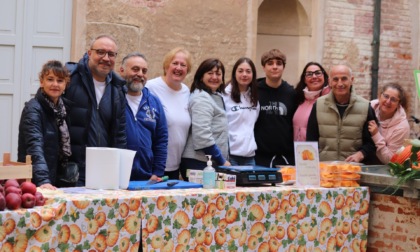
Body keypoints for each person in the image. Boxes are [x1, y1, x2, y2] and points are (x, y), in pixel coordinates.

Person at [64, 34, 126, 186]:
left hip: (105, 171)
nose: (106, 58)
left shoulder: (117, 89)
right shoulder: (70, 80)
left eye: (111, 54)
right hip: (73, 171)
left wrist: (120, 170)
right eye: (100, 52)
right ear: (89, 53)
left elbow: (120, 134)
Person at [306, 64, 377, 163]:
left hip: (352, 170)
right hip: (325, 170)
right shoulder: (318, 105)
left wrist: (361, 153)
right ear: (329, 82)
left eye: (344, 79)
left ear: (351, 80)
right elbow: (310, 140)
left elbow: (373, 142)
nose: (340, 83)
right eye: (335, 79)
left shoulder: (365, 107)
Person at [18, 60, 71, 189]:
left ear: (65, 85)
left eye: (60, 80)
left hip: (56, 179)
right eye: (50, 79)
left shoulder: (63, 109)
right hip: (35, 182)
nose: (55, 84)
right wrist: (43, 181)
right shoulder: (33, 109)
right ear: (42, 82)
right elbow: (34, 146)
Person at [119, 52, 168, 181]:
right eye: (135, 69)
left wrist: (158, 172)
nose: (140, 74)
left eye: (144, 71)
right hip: (117, 175)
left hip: (147, 177)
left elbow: (161, 140)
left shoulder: (154, 102)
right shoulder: (114, 98)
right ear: (122, 71)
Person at [180, 58, 231, 179]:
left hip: (210, 162)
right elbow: (202, 135)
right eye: (210, 73)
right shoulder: (201, 98)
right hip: (198, 163)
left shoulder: (215, 96)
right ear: (201, 76)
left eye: (218, 74)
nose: (214, 77)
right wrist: (222, 161)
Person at [145, 48, 192, 179]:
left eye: (183, 65)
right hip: (153, 166)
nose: (179, 68)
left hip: (175, 166)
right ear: (166, 66)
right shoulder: (150, 87)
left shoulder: (186, 92)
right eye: (175, 63)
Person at [254, 49, 297, 167]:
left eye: (279, 63)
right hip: (259, 158)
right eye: (270, 63)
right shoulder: (254, 91)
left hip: (286, 158)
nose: (275, 67)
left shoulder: (292, 93)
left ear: (283, 67)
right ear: (263, 67)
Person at [222, 57, 259, 166]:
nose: (244, 75)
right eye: (240, 71)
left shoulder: (254, 97)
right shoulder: (225, 94)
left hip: (250, 157)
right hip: (230, 156)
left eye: (248, 71)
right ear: (234, 73)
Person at [368, 83, 410, 164]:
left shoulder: (402, 127)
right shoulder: (369, 107)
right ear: (380, 96)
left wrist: (376, 135)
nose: (388, 101)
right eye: (386, 96)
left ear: (399, 103)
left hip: (383, 169)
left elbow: (390, 160)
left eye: (393, 99)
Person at [293, 62, 330, 142]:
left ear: (324, 76)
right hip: (298, 151)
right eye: (309, 74)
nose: (314, 76)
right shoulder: (299, 99)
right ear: (304, 79)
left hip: (319, 152)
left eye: (318, 73)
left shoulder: (330, 100)